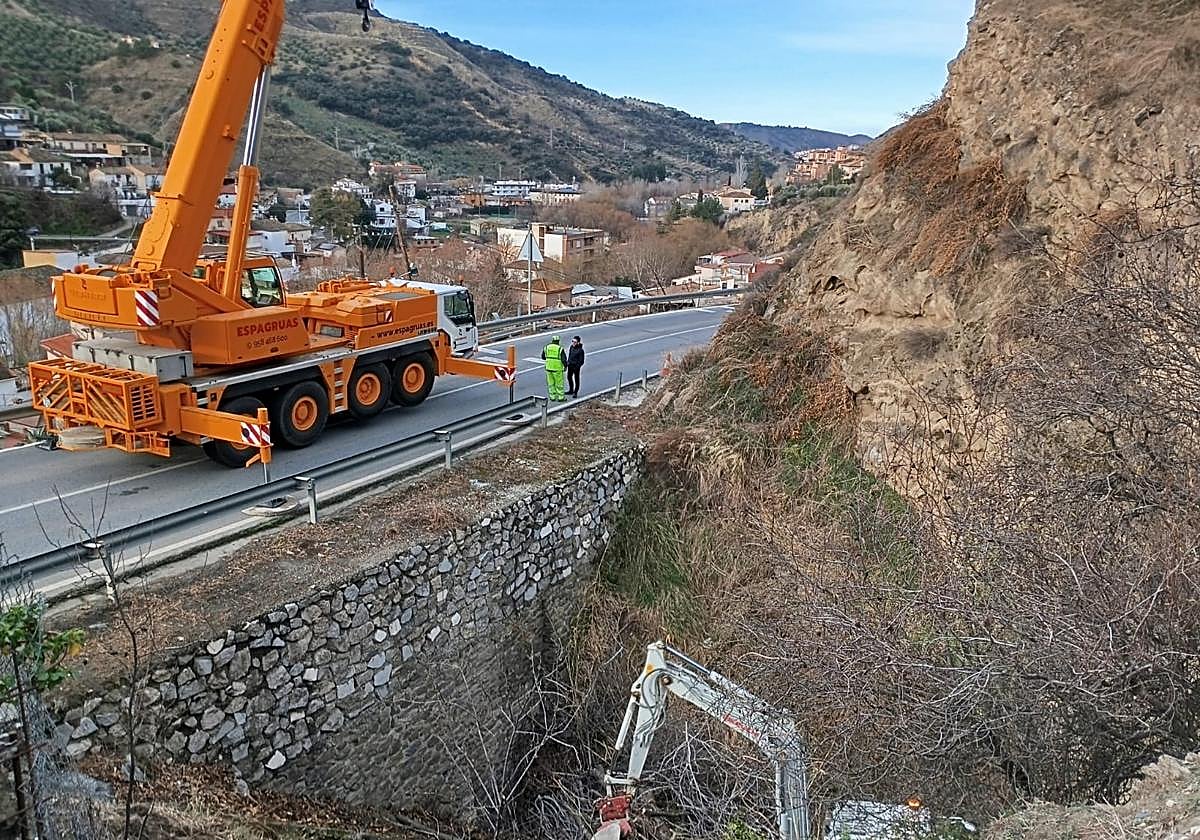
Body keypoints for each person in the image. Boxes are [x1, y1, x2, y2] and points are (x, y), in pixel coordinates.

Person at [541, 335, 567, 402]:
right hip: (557, 368)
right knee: (559, 383)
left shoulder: (546, 347)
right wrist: (565, 366)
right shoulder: (560, 349)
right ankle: (561, 397)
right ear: (558, 341)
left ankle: (552, 396)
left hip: (549, 368)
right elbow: (564, 359)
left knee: (551, 383)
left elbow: (543, 357)